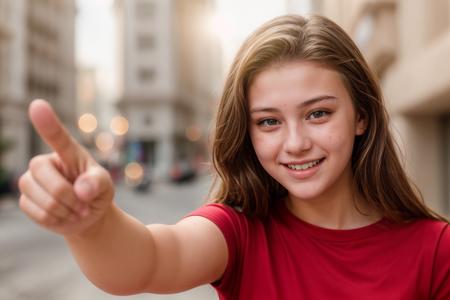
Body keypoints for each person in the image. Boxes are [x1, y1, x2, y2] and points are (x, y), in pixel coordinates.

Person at [18, 14, 449, 300]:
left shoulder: (435, 249)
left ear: (362, 116)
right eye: (268, 122)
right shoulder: (239, 233)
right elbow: (148, 259)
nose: (295, 142)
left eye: (318, 113)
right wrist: (92, 226)